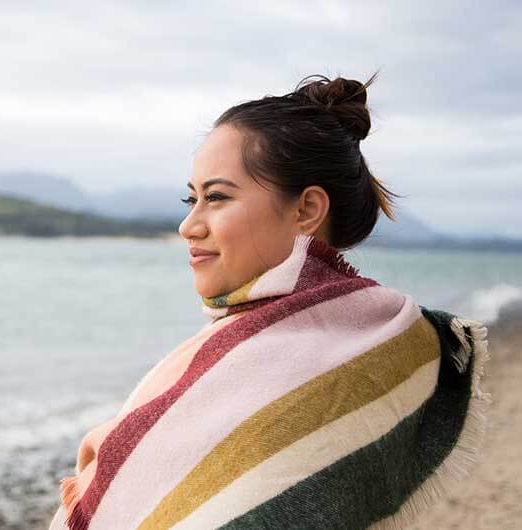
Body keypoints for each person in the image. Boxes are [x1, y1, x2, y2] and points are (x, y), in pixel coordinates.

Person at [48, 73, 490, 530]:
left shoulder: (300, 360)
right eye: (191, 198)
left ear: (306, 210)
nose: (188, 226)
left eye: (216, 197)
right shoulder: (380, 335)